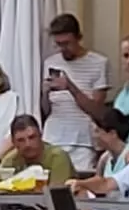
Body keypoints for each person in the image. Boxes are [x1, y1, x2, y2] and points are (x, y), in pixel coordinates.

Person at [41, 14, 110, 172]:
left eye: (67, 43)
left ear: (78, 38)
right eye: (59, 44)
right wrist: (45, 93)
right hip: (52, 136)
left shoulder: (99, 63)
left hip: (82, 141)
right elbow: (46, 110)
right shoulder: (51, 62)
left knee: (78, 186)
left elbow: (98, 112)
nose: (63, 49)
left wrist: (70, 87)